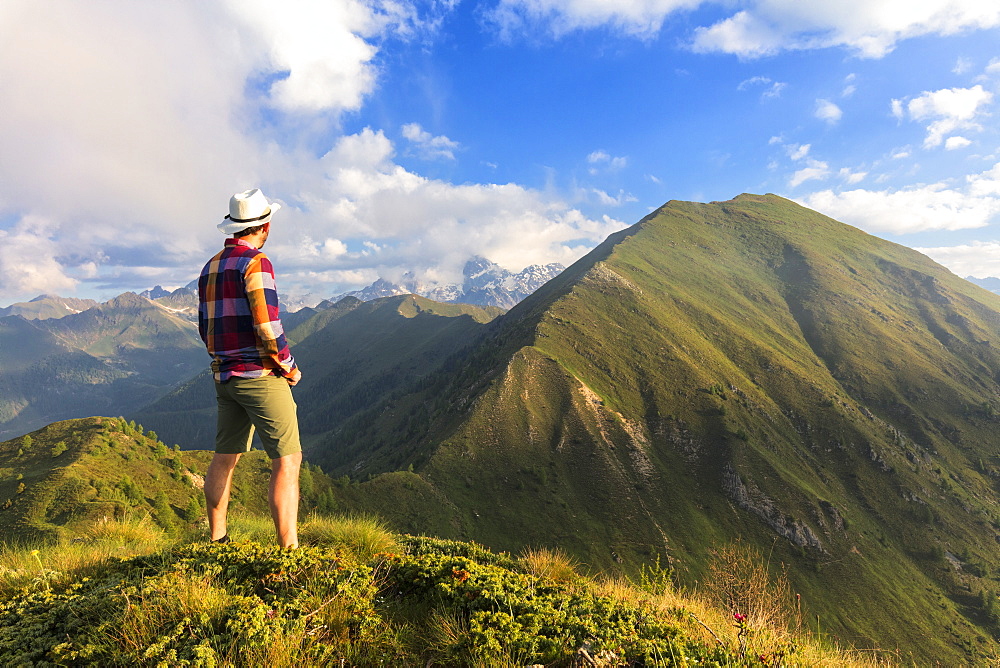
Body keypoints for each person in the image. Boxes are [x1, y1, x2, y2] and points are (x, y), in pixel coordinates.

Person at [198, 188, 302, 548]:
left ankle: (217, 538)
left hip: (223, 376)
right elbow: (267, 325)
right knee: (288, 460)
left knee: (224, 457)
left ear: (232, 227)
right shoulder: (257, 263)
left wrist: (222, 358)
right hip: (258, 376)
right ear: (265, 226)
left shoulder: (210, 266)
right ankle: (289, 551)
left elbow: (204, 325)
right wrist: (288, 366)